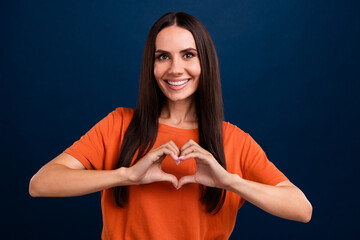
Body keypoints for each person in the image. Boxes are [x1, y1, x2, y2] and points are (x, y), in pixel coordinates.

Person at [29, 12, 312, 240]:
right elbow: (41, 184)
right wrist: (127, 175)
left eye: (188, 54)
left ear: (206, 62)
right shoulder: (119, 124)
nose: (175, 68)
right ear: (151, 66)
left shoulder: (235, 140)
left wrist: (229, 181)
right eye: (163, 56)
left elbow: (301, 209)